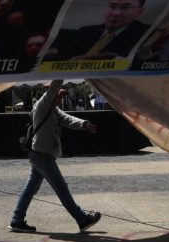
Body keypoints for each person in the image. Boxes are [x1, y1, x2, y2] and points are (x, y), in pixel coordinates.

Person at [9, 80, 102, 233]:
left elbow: (67, 119)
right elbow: (53, 88)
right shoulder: (42, 105)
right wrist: (60, 70)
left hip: (40, 153)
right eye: (59, 95)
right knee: (61, 187)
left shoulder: (52, 109)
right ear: (49, 94)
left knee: (30, 188)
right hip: (42, 154)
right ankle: (82, 219)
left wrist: (85, 124)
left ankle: (16, 220)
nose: (61, 98)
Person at [47, 0, 151, 60]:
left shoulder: (145, 34)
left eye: (125, 7)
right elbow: (61, 51)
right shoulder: (87, 32)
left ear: (140, 11)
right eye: (112, 6)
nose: (116, 13)